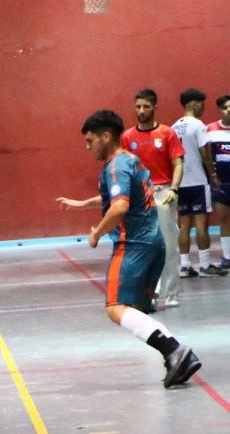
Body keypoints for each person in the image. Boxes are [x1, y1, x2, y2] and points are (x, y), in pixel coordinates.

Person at [56, 109, 201, 388]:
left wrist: (96, 234)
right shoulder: (132, 161)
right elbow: (120, 196)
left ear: (106, 136)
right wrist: (82, 204)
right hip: (154, 243)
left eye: (90, 141)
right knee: (136, 309)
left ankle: (175, 350)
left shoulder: (115, 165)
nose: (88, 147)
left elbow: (120, 206)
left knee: (116, 308)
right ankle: (176, 357)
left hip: (133, 246)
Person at [120, 89, 185, 307]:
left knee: (168, 243)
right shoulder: (128, 137)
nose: (141, 111)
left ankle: (171, 293)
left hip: (164, 192)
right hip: (140, 197)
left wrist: (173, 189)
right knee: (143, 246)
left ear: (155, 108)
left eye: (146, 106)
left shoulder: (167, 134)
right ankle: (149, 291)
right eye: (138, 106)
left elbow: (178, 164)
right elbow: (125, 169)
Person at [171, 89, 227, 277]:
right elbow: (205, 153)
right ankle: (204, 264)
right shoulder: (198, 125)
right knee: (202, 223)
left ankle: (185, 266)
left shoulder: (174, 127)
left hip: (180, 183)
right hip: (197, 181)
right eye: (202, 104)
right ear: (194, 104)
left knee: (184, 224)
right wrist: (213, 173)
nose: (203, 108)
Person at [205, 94, 230, 269]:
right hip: (221, 183)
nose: (229, 110)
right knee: (224, 219)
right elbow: (204, 155)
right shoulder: (210, 129)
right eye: (225, 107)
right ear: (219, 110)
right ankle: (227, 256)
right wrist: (212, 175)